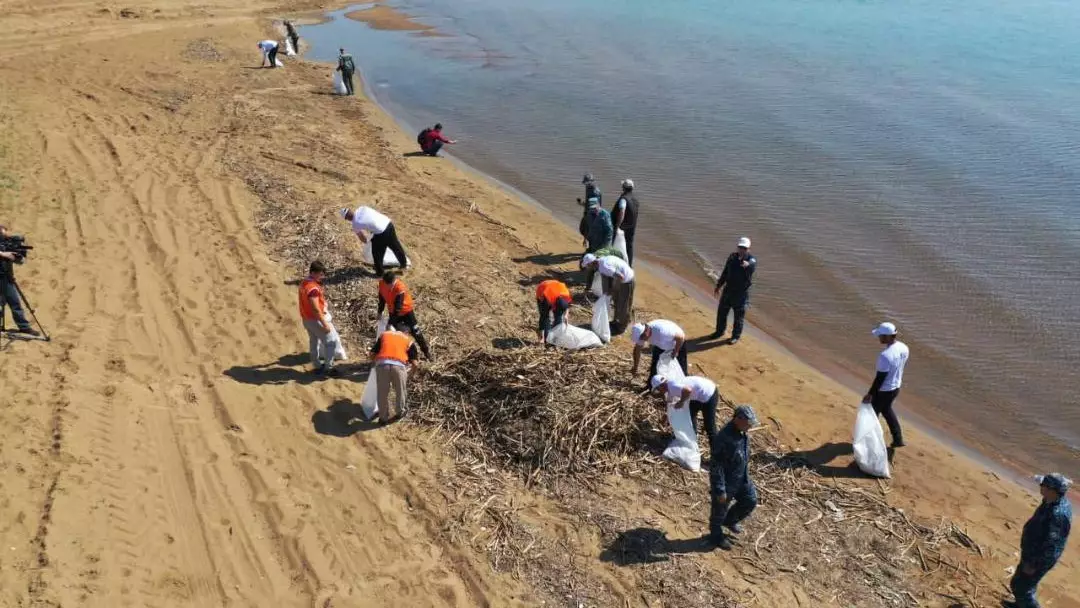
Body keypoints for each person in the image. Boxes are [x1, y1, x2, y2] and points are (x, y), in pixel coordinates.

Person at [1007, 473, 1072, 608]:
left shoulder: (1057, 515)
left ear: (1052, 490)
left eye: (1043, 485)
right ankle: (1021, 605)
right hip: (1032, 552)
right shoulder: (1051, 500)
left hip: (1038, 558)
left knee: (1023, 589)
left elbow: (1051, 547)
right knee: (1020, 584)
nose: (1040, 486)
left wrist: (1034, 564)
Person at [709, 405, 759, 550]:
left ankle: (730, 520)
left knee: (750, 500)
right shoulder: (724, 438)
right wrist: (720, 489)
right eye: (748, 423)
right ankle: (716, 536)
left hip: (741, 478)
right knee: (718, 512)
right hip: (727, 482)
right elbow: (716, 466)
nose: (750, 426)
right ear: (738, 419)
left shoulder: (742, 433)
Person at [862, 322, 909, 448]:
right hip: (895, 387)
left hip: (884, 390)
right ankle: (898, 439)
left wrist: (870, 394)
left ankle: (872, 443)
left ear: (888, 337)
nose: (879, 338)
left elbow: (880, 378)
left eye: (881, 336)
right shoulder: (903, 347)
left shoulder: (885, 356)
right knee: (887, 411)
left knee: (872, 415)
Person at [650, 373, 720, 452]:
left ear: (661, 386)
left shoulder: (673, 386)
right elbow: (670, 404)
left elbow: (688, 390)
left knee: (709, 427)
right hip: (699, 393)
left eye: (658, 389)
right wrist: (666, 416)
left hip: (709, 394)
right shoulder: (669, 387)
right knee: (689, 417)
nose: (659, 392)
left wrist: (681, 402)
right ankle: (691, 439)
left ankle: (716, 454)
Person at [369, 322, 420, 424]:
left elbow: (372, 354)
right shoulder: (409, 341)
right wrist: (410, 375)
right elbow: (415, 364)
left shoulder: (385, 335)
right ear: (407, 333)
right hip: (399, 367)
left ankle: (383, 418)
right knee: (400, 391)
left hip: (382, 365)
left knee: (382, 393)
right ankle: (399, 413)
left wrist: (375, 364)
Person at [377, 271, 432, 359]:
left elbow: (398, 307)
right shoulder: (382, 284)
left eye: (392, 284)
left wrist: (391, 322)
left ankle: (426, 351)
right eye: (389, 285)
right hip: (393, 312)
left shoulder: (400, 288)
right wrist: (380, 312)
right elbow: (382, 300)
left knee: (416, 332)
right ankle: (402, 355)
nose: (390, 287)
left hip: (406, 312)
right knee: (397, 334)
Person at [341, 206, 409, 275]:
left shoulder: (355, 224)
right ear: (351, 210)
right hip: (388, 223)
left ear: (347, 219)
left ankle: (380, 273)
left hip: (381, 233)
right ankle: (404, 264)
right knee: (395, 245)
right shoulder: (362, 208)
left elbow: (362, 238)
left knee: (377, 253)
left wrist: (368, 242)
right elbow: (371, 218)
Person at [712, 237, 756, 344]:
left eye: (744, 248)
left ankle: (735, 336)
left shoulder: (751, 260)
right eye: (740, 247)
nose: (742, 250)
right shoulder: (732, 257)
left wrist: (747, 265)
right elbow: (725, 272)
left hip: (740, 294)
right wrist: (719, 285)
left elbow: (753, 264)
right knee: (722, 312)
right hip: (728, 291)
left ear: (748, 249)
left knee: (738, 317)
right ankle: (719, 331)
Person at [298, 261, 339, 375]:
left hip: (306, 318)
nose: (322, 277)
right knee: (331, 342)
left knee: (314, 342)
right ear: (313, 272)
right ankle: (328, 368)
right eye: (320, 274)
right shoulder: (313, 289)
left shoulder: (304, 283)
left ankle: (316, 364)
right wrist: (325, 324)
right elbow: (316, 308)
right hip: (315, 319)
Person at [580, 253, 635, 333]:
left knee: (623, 304)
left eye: (588, 266)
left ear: (592, 263)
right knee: (616, 301)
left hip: (627, 280)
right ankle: (616, 321)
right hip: (620, 280)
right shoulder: (600, 263)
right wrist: (607, 293)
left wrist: (613, 289)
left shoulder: (604, 266)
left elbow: (621, 277)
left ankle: (622, 327)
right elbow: (607, 278)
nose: (588, 268)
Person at [0, 225, 38, 336]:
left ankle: (24, 327)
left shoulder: (7, 245)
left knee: (14, 302)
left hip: (6, 277)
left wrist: (15, 257)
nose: (4, 235)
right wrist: (3, 254)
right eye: (2, 233)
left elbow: (21, 261)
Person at [630, 320, 687, 392]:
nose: (643, 340)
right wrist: (635, 367)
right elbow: (637, 350)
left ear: (646, 331)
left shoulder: (662, 332)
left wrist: (676, 351)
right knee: (655, 366)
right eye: (641, 338)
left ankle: (683, 389)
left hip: (677, 345)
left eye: (643, 337)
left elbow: (680, 337)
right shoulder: (642, 335)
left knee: (681, 368)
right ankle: (650, 387)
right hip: (660, 346)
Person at [612, 179, 639, 265]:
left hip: (622, 228)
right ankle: (629, 265)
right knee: (629, 247)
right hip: (632, 227)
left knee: (617, 246)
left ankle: (617, 265)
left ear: (624, 188)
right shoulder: (635, 200)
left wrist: (617, 226)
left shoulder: (623, 199)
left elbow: (622, 212)